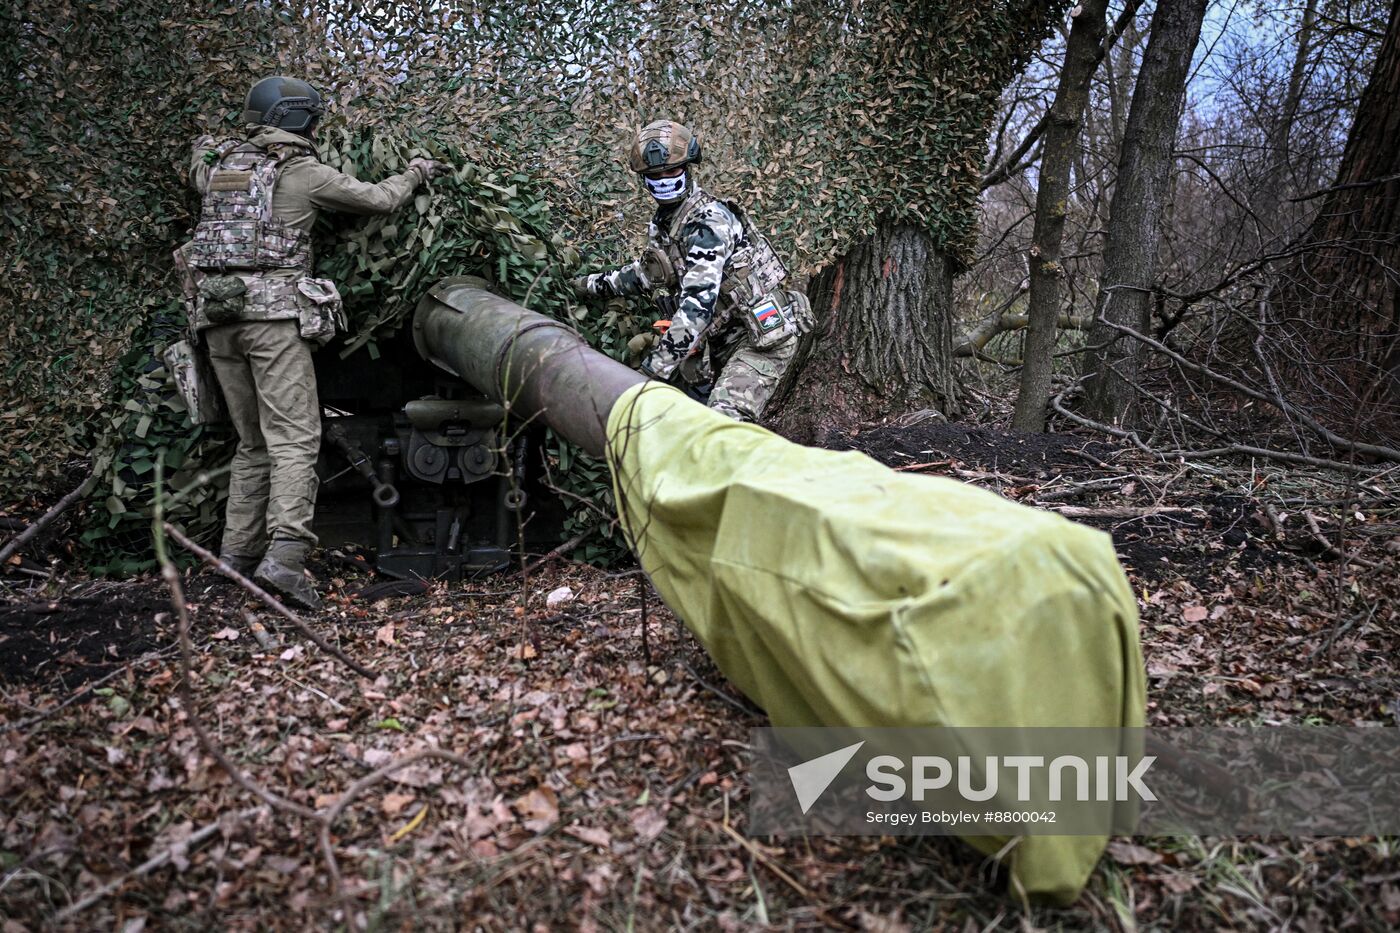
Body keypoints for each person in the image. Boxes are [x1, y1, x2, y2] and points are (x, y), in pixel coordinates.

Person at [178, 76, 447, 609]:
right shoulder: (303, 173)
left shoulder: (217, 172)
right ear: (300, 120)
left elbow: (197, 157)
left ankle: (234, 559)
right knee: (295, 440)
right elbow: (379, 200)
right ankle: (285, 560)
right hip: (273, 322)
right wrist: (417, 171)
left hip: (215, 322)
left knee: (252, 442)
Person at [572, 120, 809, 422]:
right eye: (655, 175)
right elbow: (643, 275)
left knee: (723, 421)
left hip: (760, 341)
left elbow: (697, 308)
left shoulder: (709, 223)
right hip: (716, 342)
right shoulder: (666, 224)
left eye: (672, 171)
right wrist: (584, 286)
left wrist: (651, 375)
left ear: (688, 167)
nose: (664, 179)